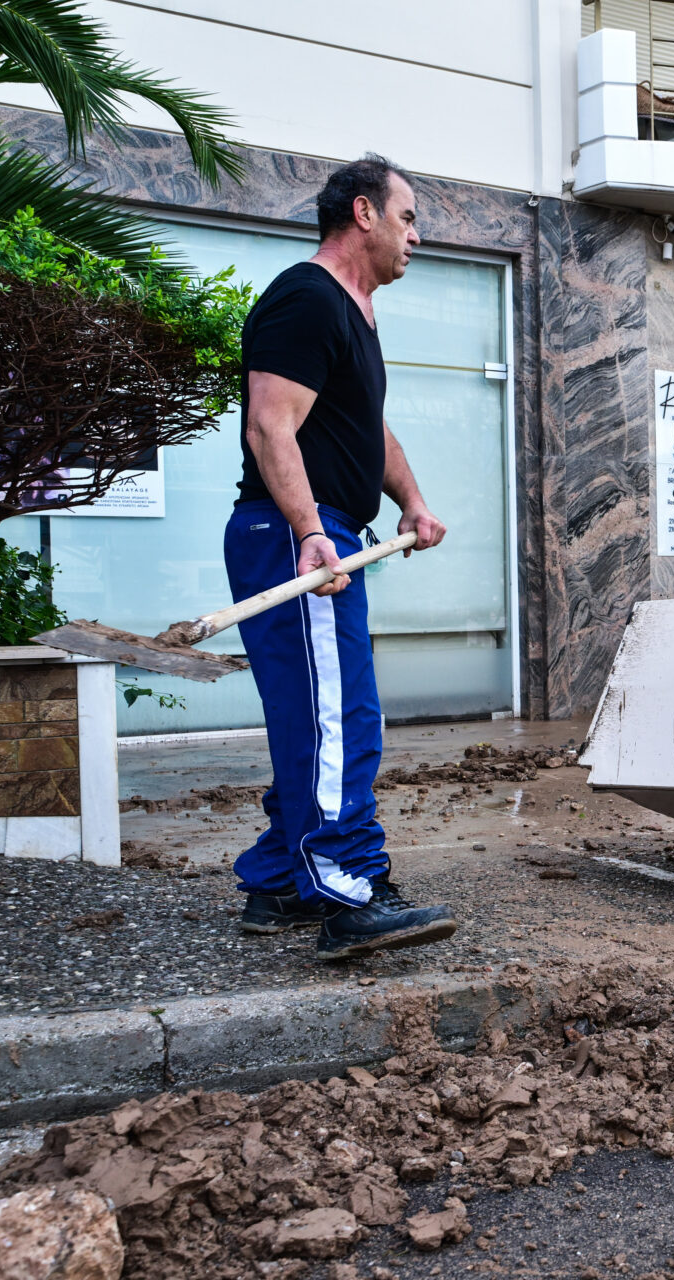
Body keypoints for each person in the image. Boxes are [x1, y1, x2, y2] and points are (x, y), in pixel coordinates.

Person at [227, 154, 457, 961]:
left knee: (318, 717)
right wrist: (308, 530)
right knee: (339, 721)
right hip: (295, 535)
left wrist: (412, 500)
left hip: (322, 530)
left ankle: (280, 880)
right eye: (407, 218)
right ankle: (348, 888)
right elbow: (269, 424)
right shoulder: (307, 296)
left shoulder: (356, 313)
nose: (415, 236)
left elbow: (367, 428)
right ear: (363, 213)